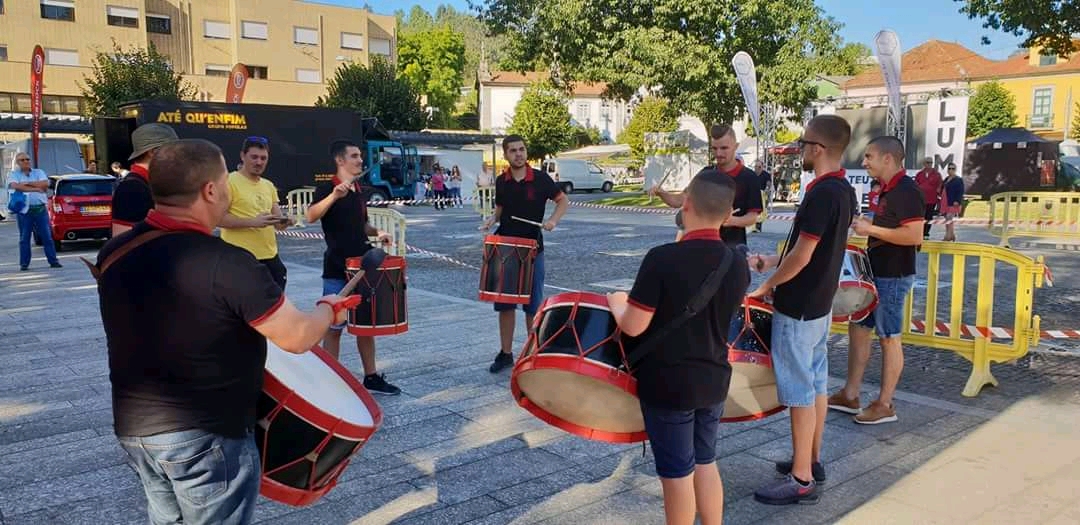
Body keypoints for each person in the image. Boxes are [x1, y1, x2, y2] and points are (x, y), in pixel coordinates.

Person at [94, 138, 357, 525]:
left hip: (136, 430)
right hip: (206, 434)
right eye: (225, 183)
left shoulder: (115, 252)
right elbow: (298, 336)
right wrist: (328, 308)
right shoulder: (228, 263)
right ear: (211, 190)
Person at [608, 170, 748, 525]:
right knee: (706, 461)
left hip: (669, 384)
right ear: (728, 215)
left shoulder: (662, 258)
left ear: (686, 204)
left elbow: (634, 325)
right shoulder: (737, 263)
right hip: (714, 379)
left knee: (677, 476)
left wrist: (617, 303)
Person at [747, 115, 857, 505]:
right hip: (819, 304)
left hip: (799, 307)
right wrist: (771, 262)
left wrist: (767, 285)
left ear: (819, 148)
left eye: (804, 144)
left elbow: (804, 255)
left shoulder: (823, 194)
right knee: (817, 384)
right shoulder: (842, 190)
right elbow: (808, 248)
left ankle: (801, 478)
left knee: (799, 393)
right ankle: (810, 458)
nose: (801, 150)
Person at [829, 136, 925, 424]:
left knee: (888, 337)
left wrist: (871, 229)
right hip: (875, 272)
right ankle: (850, 394)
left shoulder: (906, 190)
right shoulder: (888, 189)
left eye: (869, 156)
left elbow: (914, 236)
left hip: (893, 275)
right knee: (859, 329)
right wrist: (868, 227)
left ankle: (885, 404)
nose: (864, 162)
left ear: (887, 158)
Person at [305, 140, 401, 395]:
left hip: (361, 266)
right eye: (355, 156)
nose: (360, 160)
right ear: (340, 160)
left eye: (360, 156)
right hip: (336, 267)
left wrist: (378, 232)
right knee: (333, 327)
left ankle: (371, 376)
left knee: (365, 326)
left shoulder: (359, 189)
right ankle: (329, 379)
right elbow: (310, 216)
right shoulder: (327, 188)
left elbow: (362, 225)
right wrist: (334, 196)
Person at [481, 135, 570, 373]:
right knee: (505, 306)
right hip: (505, 249)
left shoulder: (541, 179)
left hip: (532, 249)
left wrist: (553, 221)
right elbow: (500, 209)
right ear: (506, 155)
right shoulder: (502, 181)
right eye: (513, 150)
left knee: (532, 306)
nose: (518, 154)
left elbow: (563, 201)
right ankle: (506, 353)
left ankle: (533, 355)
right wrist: (492, 219)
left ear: (526, 151)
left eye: (521, 149)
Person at [649, 124, 762, 246]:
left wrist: (731, 221)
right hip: (701, 246)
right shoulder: (705, 174)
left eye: (724, 148)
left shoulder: (749, 177)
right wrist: (661, 193)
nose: (718, 153)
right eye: (714, 148)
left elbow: (753, 217)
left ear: (736, 146)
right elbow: (679, 201)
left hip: (733, 247)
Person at [219, 136, 294, 290]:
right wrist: (253, 222)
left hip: (270, 257)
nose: (259, 162)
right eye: (254, 157)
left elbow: (278, 224)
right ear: (242, 156)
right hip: (240, 258)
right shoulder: (228, 182)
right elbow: (218, 218)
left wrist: (286, 221)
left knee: (276, 302)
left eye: (263, 158)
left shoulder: (268, 185)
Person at [111, 123, 179, 236]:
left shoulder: (145, 184)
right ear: (153, 152)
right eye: (173, 150)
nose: (177, 156)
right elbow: (123, 239)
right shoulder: (132, 188)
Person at [7, 152, 63, 271]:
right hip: (24, 211)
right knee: (24, 238)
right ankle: (24, 264)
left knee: (47, 237)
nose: (26, 161)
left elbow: (45, 184)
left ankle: (53, 261)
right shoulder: (13, 174)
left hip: (40, 209)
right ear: (17, 162)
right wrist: (36, 189)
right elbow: (16, 186)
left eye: (27, 159)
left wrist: (27, 183)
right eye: (22, 160)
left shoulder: (39, 172)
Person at [915, 157, 942, 239]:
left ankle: (926, 233)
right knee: (920, 217)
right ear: (924, 163)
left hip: (932, 200)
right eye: (927, 162)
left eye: (931, 162)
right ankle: (920, 233)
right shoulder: (919, 174)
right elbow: (915, 185)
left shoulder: (937, 174)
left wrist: (938, 193)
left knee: (929, 216)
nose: (929, 164)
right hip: (921, 200)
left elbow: (940, 185)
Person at [941, 163, 964, 242]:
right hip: (945, 201)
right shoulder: (946, 179)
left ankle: (947, 236)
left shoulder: (958, 180)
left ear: (955, 170)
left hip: (953, 202)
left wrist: (957, 201)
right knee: (947, 219)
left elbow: (960, 191)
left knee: (949, 218)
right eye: (949, 168)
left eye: (953, 168)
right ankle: (952, 235)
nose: (951, 170)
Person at [754, 160, 772, 232]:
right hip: (754, 194)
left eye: (759, 167)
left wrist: (767, 189)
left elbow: (768, 183)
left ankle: (758, 226)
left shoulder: (766, 175)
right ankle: (754, 225)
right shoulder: (752, 174)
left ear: (762, 167)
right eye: (756, 166)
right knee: (754, 210)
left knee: (760, 211)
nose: (757, 168)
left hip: (762, 194)